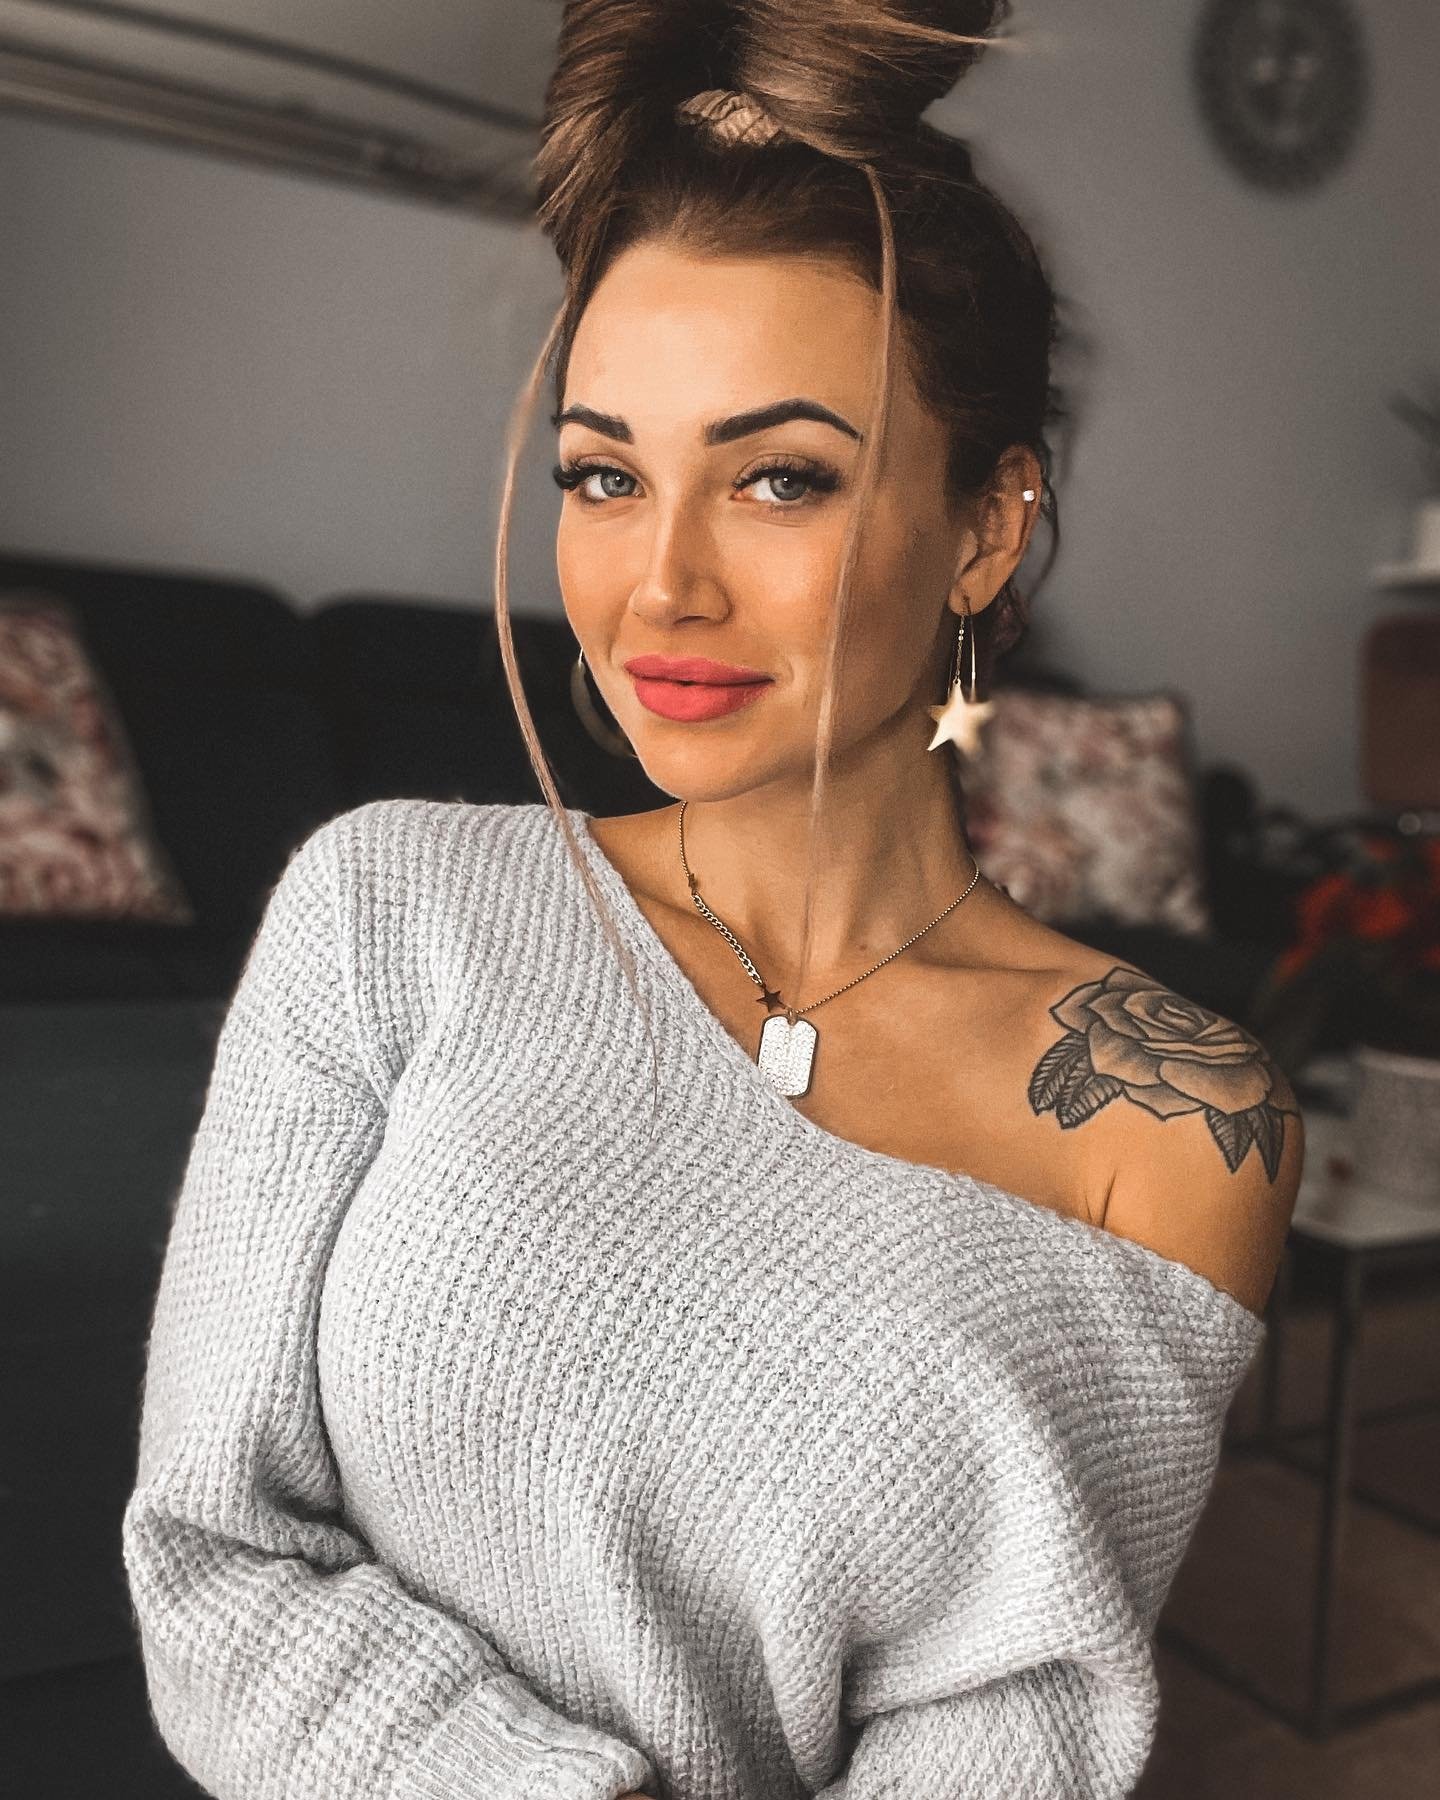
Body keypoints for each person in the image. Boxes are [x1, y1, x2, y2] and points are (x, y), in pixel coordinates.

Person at [123, 3, 1305, 1797]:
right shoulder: (385, 911)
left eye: (778, 478)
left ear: (987, 527)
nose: (660, 581)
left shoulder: (1176, 1127)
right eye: (606, 475)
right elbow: (214, 1556)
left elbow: (1015, 1725)